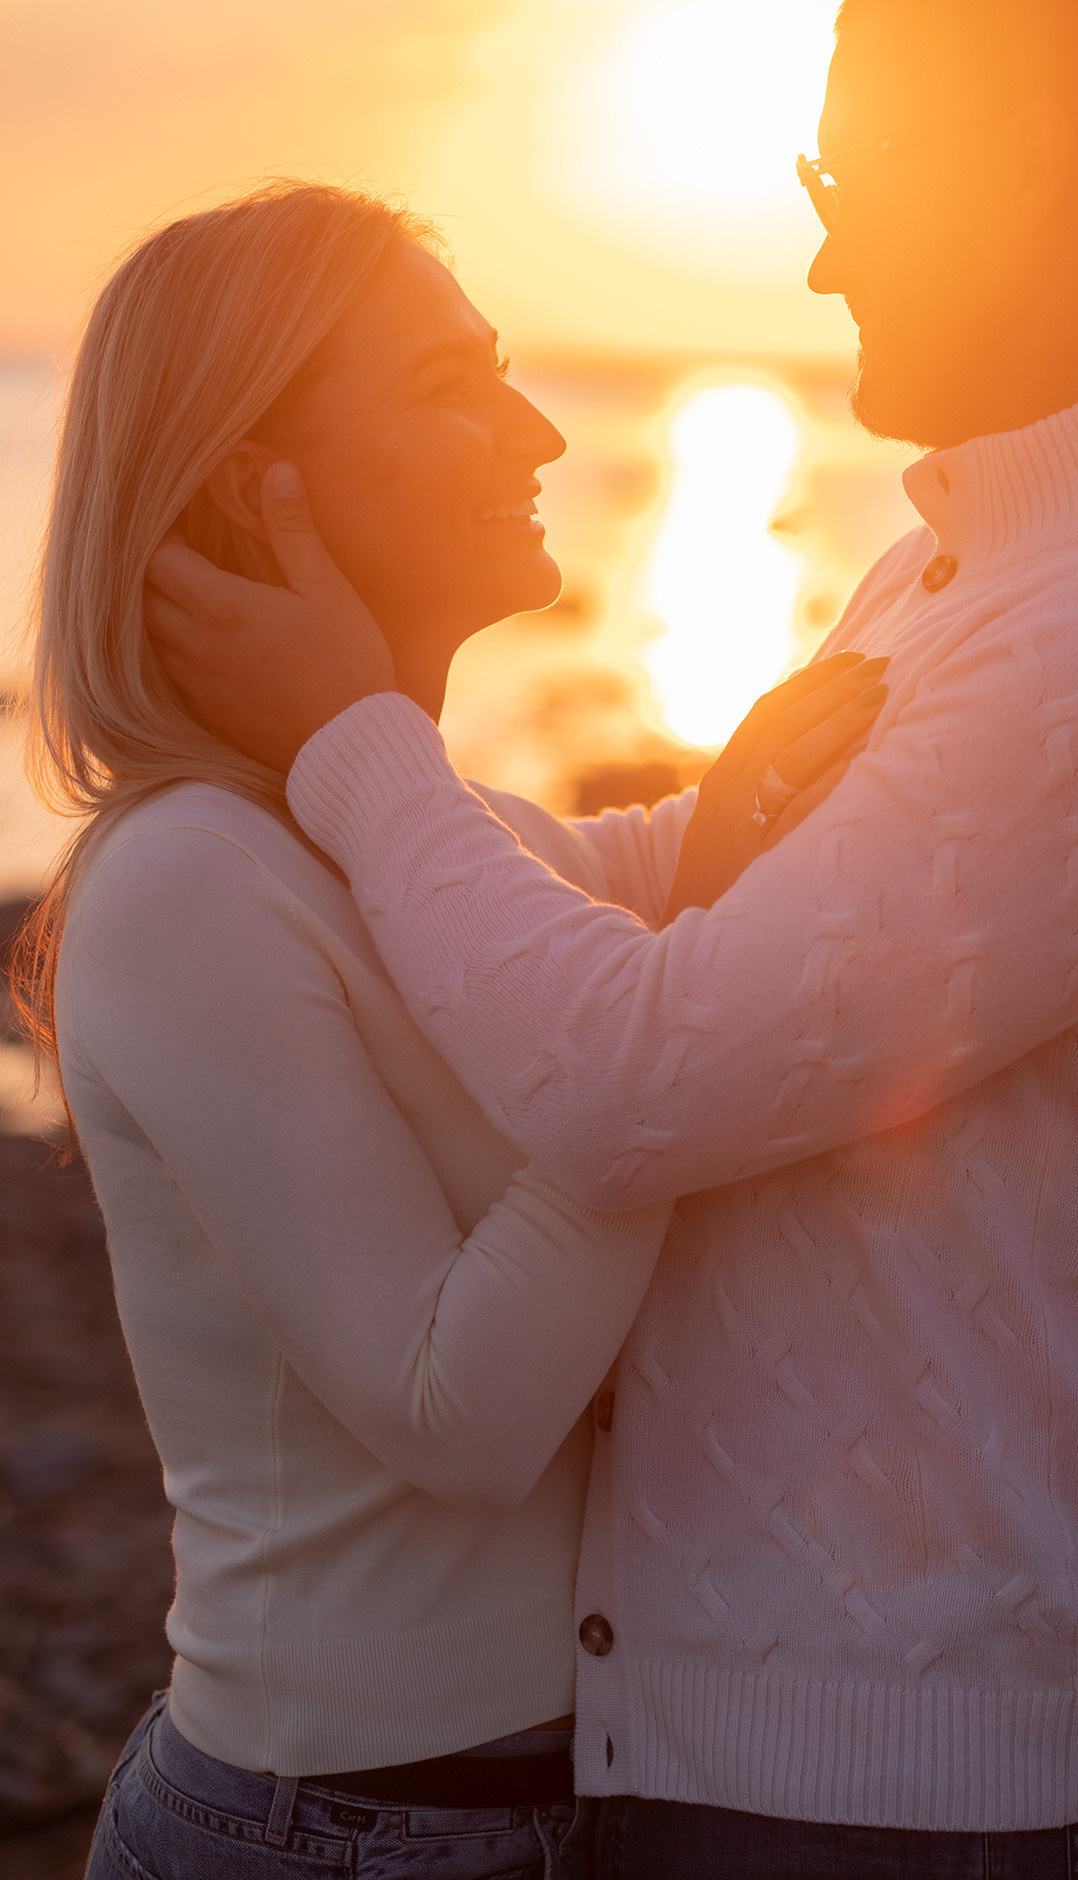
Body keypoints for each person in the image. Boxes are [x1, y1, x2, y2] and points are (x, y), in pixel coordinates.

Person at [146, 0, 1078, 1880]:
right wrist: (276, 840)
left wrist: (348, 743)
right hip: (795, 1745)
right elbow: (716, 901)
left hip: (904, 1783)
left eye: (843, 177)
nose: (818, 250)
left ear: (1019, 164)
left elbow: (637, 1079)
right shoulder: (990, 563)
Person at [16, 179, 880, 1880]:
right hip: (332, 1838)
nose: (542, 431)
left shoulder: (441, 833)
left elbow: (672, 878)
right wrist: (659, 1069)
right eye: (449, 385)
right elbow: (453, 1412)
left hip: (550, 1809)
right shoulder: (192, 881)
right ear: (257, 492)